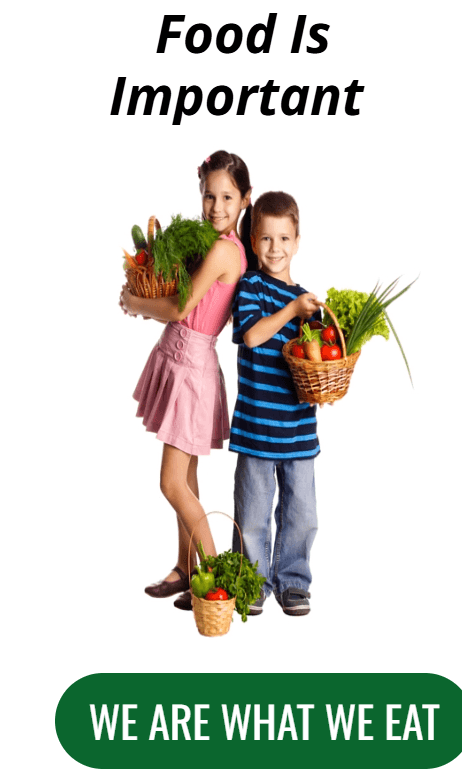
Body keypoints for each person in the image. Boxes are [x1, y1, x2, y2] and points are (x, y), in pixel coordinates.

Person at [120, 150, 253, 610]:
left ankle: (217, 581)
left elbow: (178, 309)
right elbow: (182, 297)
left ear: (244, 200)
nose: (217, 207)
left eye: (227, 198)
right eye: (209, 196)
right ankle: (185, 568)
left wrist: (137, 304)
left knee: (172, 483)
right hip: (181, 361)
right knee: (189, 480)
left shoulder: (223, 250)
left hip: (190, 369)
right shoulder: (220, 244)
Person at [230, 191, 321, 617]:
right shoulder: (251, 287)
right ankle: (252, 580)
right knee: (252, 516)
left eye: (284, 239)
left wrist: (318, 325)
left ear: (297, 241)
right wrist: (292, 310)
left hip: (299, 428)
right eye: (266, 239)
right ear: (252, 240)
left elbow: (319, 357)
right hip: (255, 427)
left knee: (301, 514)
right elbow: (252, 336)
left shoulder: (304, 301)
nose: (275, 249)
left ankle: (293, 582)